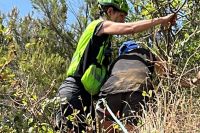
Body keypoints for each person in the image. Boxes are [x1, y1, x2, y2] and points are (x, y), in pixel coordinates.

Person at [55, 0, 177, 132]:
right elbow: (131, 29)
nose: (123, 21)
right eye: (121, 16)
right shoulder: (99, 26)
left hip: (86, 97)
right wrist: (161, 20)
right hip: (74, 90)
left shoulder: (104, 42)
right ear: (110, 11)